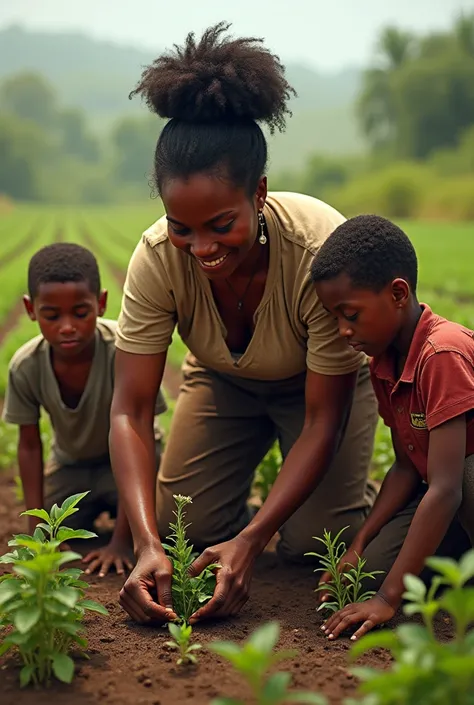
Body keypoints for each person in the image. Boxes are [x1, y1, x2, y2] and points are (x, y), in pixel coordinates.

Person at [110, 21, 379, 626]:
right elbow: (129, 410)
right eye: (183, 226)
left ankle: (344, 504)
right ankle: (229, 518)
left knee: (315, 544)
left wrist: (254, 539)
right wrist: (148, 543)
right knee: (187, 527)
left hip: (321, 393)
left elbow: (322, 416)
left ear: (259, 193)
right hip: (223, 384)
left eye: (220, 224)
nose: (201, 247)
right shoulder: (157, 258)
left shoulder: (317, 252)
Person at [310, 214, 474, 641]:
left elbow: (446, 489)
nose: (344, 331)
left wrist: (388, 599)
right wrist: (359, 543)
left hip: (461, 488)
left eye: (351, 315)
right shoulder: (384, 363)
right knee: (369, 574)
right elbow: (405, 468)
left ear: (398, 293)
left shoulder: (442, 353)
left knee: (467, 478)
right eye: (335, 318)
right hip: (448, 494)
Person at [2, 242, 167, 577]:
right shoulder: (26, 367)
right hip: (71, 466)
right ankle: (94, 510)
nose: (67, 327)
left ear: (101, 303)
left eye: (80, 313)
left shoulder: (125, 352)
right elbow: (30, 446)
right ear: (31, 309)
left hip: (133, 462)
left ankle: (124, 524)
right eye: (51, 315)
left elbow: (141, 432)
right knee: (56, 522)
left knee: (169, 519)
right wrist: (39, 535)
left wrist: (123, 542)